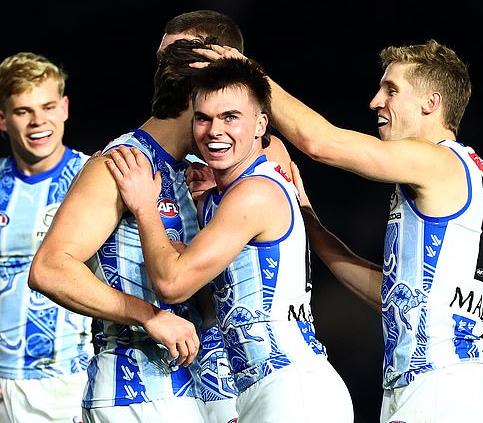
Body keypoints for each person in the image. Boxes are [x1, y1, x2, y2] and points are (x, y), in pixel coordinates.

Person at [202, 40, 483, 421]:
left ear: (431, 103)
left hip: (440, 383)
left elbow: (319, 143)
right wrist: (310, 223)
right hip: (447, 385)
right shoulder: (462, 172)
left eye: (392, 90)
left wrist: (249, 74)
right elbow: (395, 295)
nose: (376, 101)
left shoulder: (435, 159)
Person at [27, 17, 253, 422]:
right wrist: (147, 315)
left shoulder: (195, 173)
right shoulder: (121, 163)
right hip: (130, 395)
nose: (166, 68)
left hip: (190, 392)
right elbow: (49, 269)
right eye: (164, 57)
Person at [106, 57, 354, 423]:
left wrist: (145, 208)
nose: (214, 130)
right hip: (265, 390)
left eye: (230, 117)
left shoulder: (254, 193)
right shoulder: (229, 195)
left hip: (292, 390)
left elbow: (172, 284)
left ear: (260, 125)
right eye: (204, 118)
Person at [0, 52, 94, 423]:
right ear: (1, 119)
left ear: (65, 108)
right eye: (24, 111)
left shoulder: (92, 176)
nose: (39, 121)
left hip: (74, 380)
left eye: (48, 106)